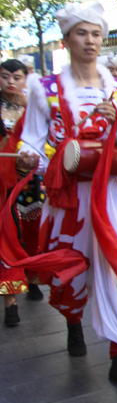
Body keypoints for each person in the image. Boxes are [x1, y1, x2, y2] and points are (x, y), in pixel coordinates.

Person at [16, 1, 117, 391]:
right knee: (72, 269)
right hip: (69, 197)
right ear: (66, 39)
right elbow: (33, 141)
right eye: (81, 33)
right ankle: (74, 322)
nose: (90, 41)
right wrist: (28, 156)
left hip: (111, 194)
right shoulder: (45, 88)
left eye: (95, 34)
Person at [0, 59, 46, 326]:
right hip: (2, 182)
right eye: (5, 77)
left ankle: (32, 276)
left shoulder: (33, 108)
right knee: (7, 233)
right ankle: (10, 298)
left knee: (31, 230)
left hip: (29, 179)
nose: (11, 82)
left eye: (16, 77)